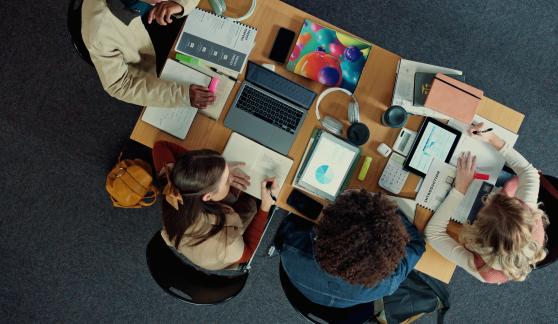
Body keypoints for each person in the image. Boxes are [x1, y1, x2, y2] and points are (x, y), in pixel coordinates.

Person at [425, 123, 548, 284]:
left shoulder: (486, 271)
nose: (487, 197)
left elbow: (433, 234)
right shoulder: (529, 218)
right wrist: (492, 138)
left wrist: (460, 189)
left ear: (477, 233)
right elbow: (529, 172)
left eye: (484, 207)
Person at [275, 190, 425, 308]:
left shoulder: (291, 245)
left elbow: (293, 220)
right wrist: (388, 213)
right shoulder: (387, 283)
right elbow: (417, 244)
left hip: (303, 288)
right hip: (341, 305)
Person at [152, 141, 279, 270]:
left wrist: (211, 172)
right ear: (207, 196)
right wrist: (265, 206)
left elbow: (160, 146)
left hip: (193, 223)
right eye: (226, 180)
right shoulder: (227, 245)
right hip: (217, 250)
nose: (230, 177)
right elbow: (248, 252)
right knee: (251, 207)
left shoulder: (175, 181)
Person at [82, 0, 216, 109]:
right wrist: (182, 96)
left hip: (169, 27)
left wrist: (181, 4)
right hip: (152, 70)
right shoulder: (99, 33)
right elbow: (118, 85)